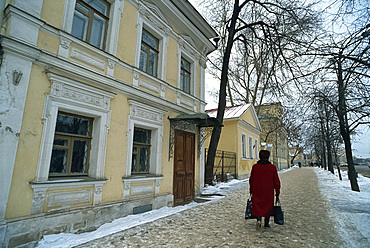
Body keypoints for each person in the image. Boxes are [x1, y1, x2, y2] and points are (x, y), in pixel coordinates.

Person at [249, 150, 281, 230]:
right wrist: (277, 191)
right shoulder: (272, 167)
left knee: (258, 205)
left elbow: (251, 179)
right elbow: (276, 180)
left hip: (257, 190)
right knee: (268, 206)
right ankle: (266, 224)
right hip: (268, 191)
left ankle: (259, 220)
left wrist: (251, 189)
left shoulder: (255, 167)